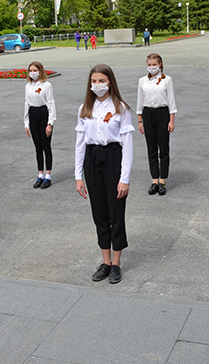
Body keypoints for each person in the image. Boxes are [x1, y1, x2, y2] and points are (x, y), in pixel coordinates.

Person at [75, 64, 134, 284]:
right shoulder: (84, 108)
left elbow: (127, 145)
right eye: (94, 81)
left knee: (115, 212)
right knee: (99, 213)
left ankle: (117, 263)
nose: (97, 85)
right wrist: (78, 175)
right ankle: (105, 262)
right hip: (92, 160)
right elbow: (80, 144)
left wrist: (124, 178)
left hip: (113, 159)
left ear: (110, 81)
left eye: (101, 80)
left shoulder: (121, 108)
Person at [136, 53, 176, 195]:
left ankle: (162, 180)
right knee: (151, 147)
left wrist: (171, 120)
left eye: (154, 64)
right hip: (148, 113)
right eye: (149, 64)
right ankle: (154, 180)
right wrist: (140, 120)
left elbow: (171, 101)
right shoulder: (142, 81)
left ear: (160, 65)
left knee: (163, 148)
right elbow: (140, 101)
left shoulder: (167, 80)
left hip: (162, 113)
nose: (152, 67)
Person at [24, 61, 56, 189]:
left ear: (40, 71)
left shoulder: (47, 85)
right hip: (33, 114)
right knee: (38, 148)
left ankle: (48, 176)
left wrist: (50, 123)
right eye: (30, 70)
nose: (32, 73)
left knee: (46, 146)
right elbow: (26, 104)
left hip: (44, 114)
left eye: (35, 70)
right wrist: (26, 122)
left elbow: (51, 103)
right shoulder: (28, 86)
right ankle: (40, 175)